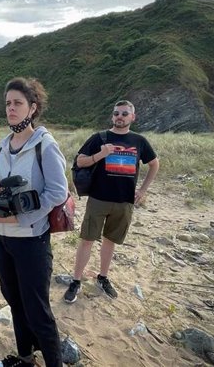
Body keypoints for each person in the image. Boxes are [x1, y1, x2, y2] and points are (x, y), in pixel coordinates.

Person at [0, 77, 67, 367]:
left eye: (18, 103)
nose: (11, 108)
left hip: (31, 238)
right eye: (8, 103)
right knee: (13, 300)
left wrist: (20, 214)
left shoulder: (44, 145)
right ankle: (25, 359)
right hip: (0, 235)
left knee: (37, 309)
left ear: (32, 108)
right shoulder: (4, 142)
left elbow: (59, 192)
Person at [63, 100, 159, 304]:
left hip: (124, 202)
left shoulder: (139, 141)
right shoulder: (99, 138)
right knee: (87, 240)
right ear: (112, 116)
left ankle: (103, 277)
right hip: (98, 199)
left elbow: (154, 164)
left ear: (133, 117)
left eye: (125, 114)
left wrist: (142, 190)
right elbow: (80, 161)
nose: (120, 117)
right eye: (116, 113)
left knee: (110, 241)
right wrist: (101, 154)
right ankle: (76, 281)